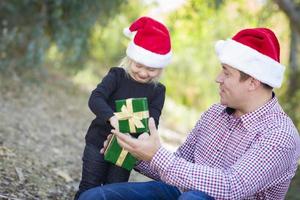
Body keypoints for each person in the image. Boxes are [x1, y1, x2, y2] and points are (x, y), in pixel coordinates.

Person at [79, 28, 300, 200]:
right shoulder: (215, 114)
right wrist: (137, 152)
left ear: (253, 82)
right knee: (96, 196)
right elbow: (179, 165)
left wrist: (156, 155)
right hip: (180, 193)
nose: (218, 78)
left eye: (226, 72)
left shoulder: (280, 135)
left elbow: (232, 186)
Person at [74, 16, 173, 199]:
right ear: (130, 58)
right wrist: (112, 118)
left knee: (115, 191)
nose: (143, 73)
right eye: (139, 66)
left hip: (127, 150)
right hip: (98, 141)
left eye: (151, 69)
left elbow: (153, 117)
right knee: (89, 186)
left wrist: (145, 135)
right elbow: (96, 98)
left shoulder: (157, 90)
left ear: (161, 68)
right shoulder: (117, 76)